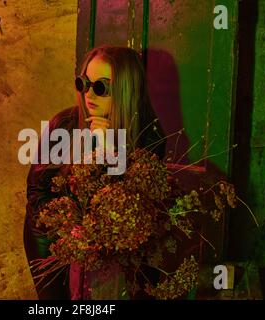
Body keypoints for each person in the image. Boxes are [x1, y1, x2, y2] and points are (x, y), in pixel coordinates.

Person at [23, 45, 166, 299]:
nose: (89, 94)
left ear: (125, 89)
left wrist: (108, 147)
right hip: (51, 238)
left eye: (100, 87)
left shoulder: (149, 136)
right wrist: (67, 235)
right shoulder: (65, 124)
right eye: (84, 83)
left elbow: (130, 201)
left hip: (113, 244)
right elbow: (36, 190)